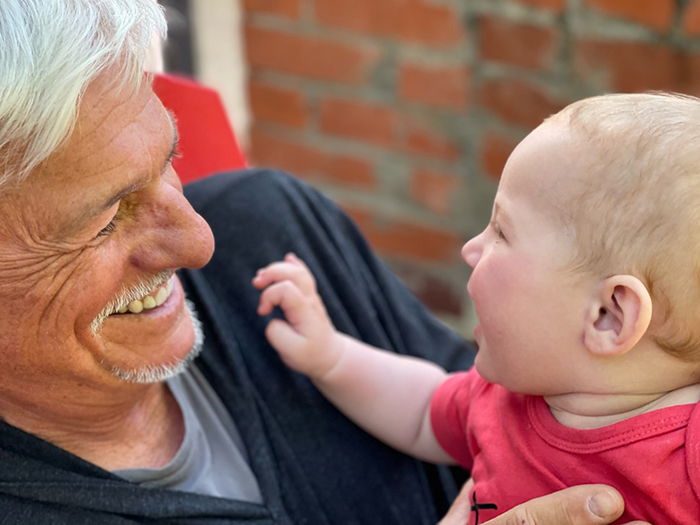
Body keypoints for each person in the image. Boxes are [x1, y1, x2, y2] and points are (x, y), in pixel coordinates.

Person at [0, 0, 647, 523]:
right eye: (106, 218)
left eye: (169, 162)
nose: (199, 243)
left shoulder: (268, 228)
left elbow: (483, 403)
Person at [252, 93, 700, 524]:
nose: (471, 248)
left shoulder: (688, 451)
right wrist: (331, 356)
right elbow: (420, 408)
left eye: (502, 232)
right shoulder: (505, 399)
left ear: (608, 316)